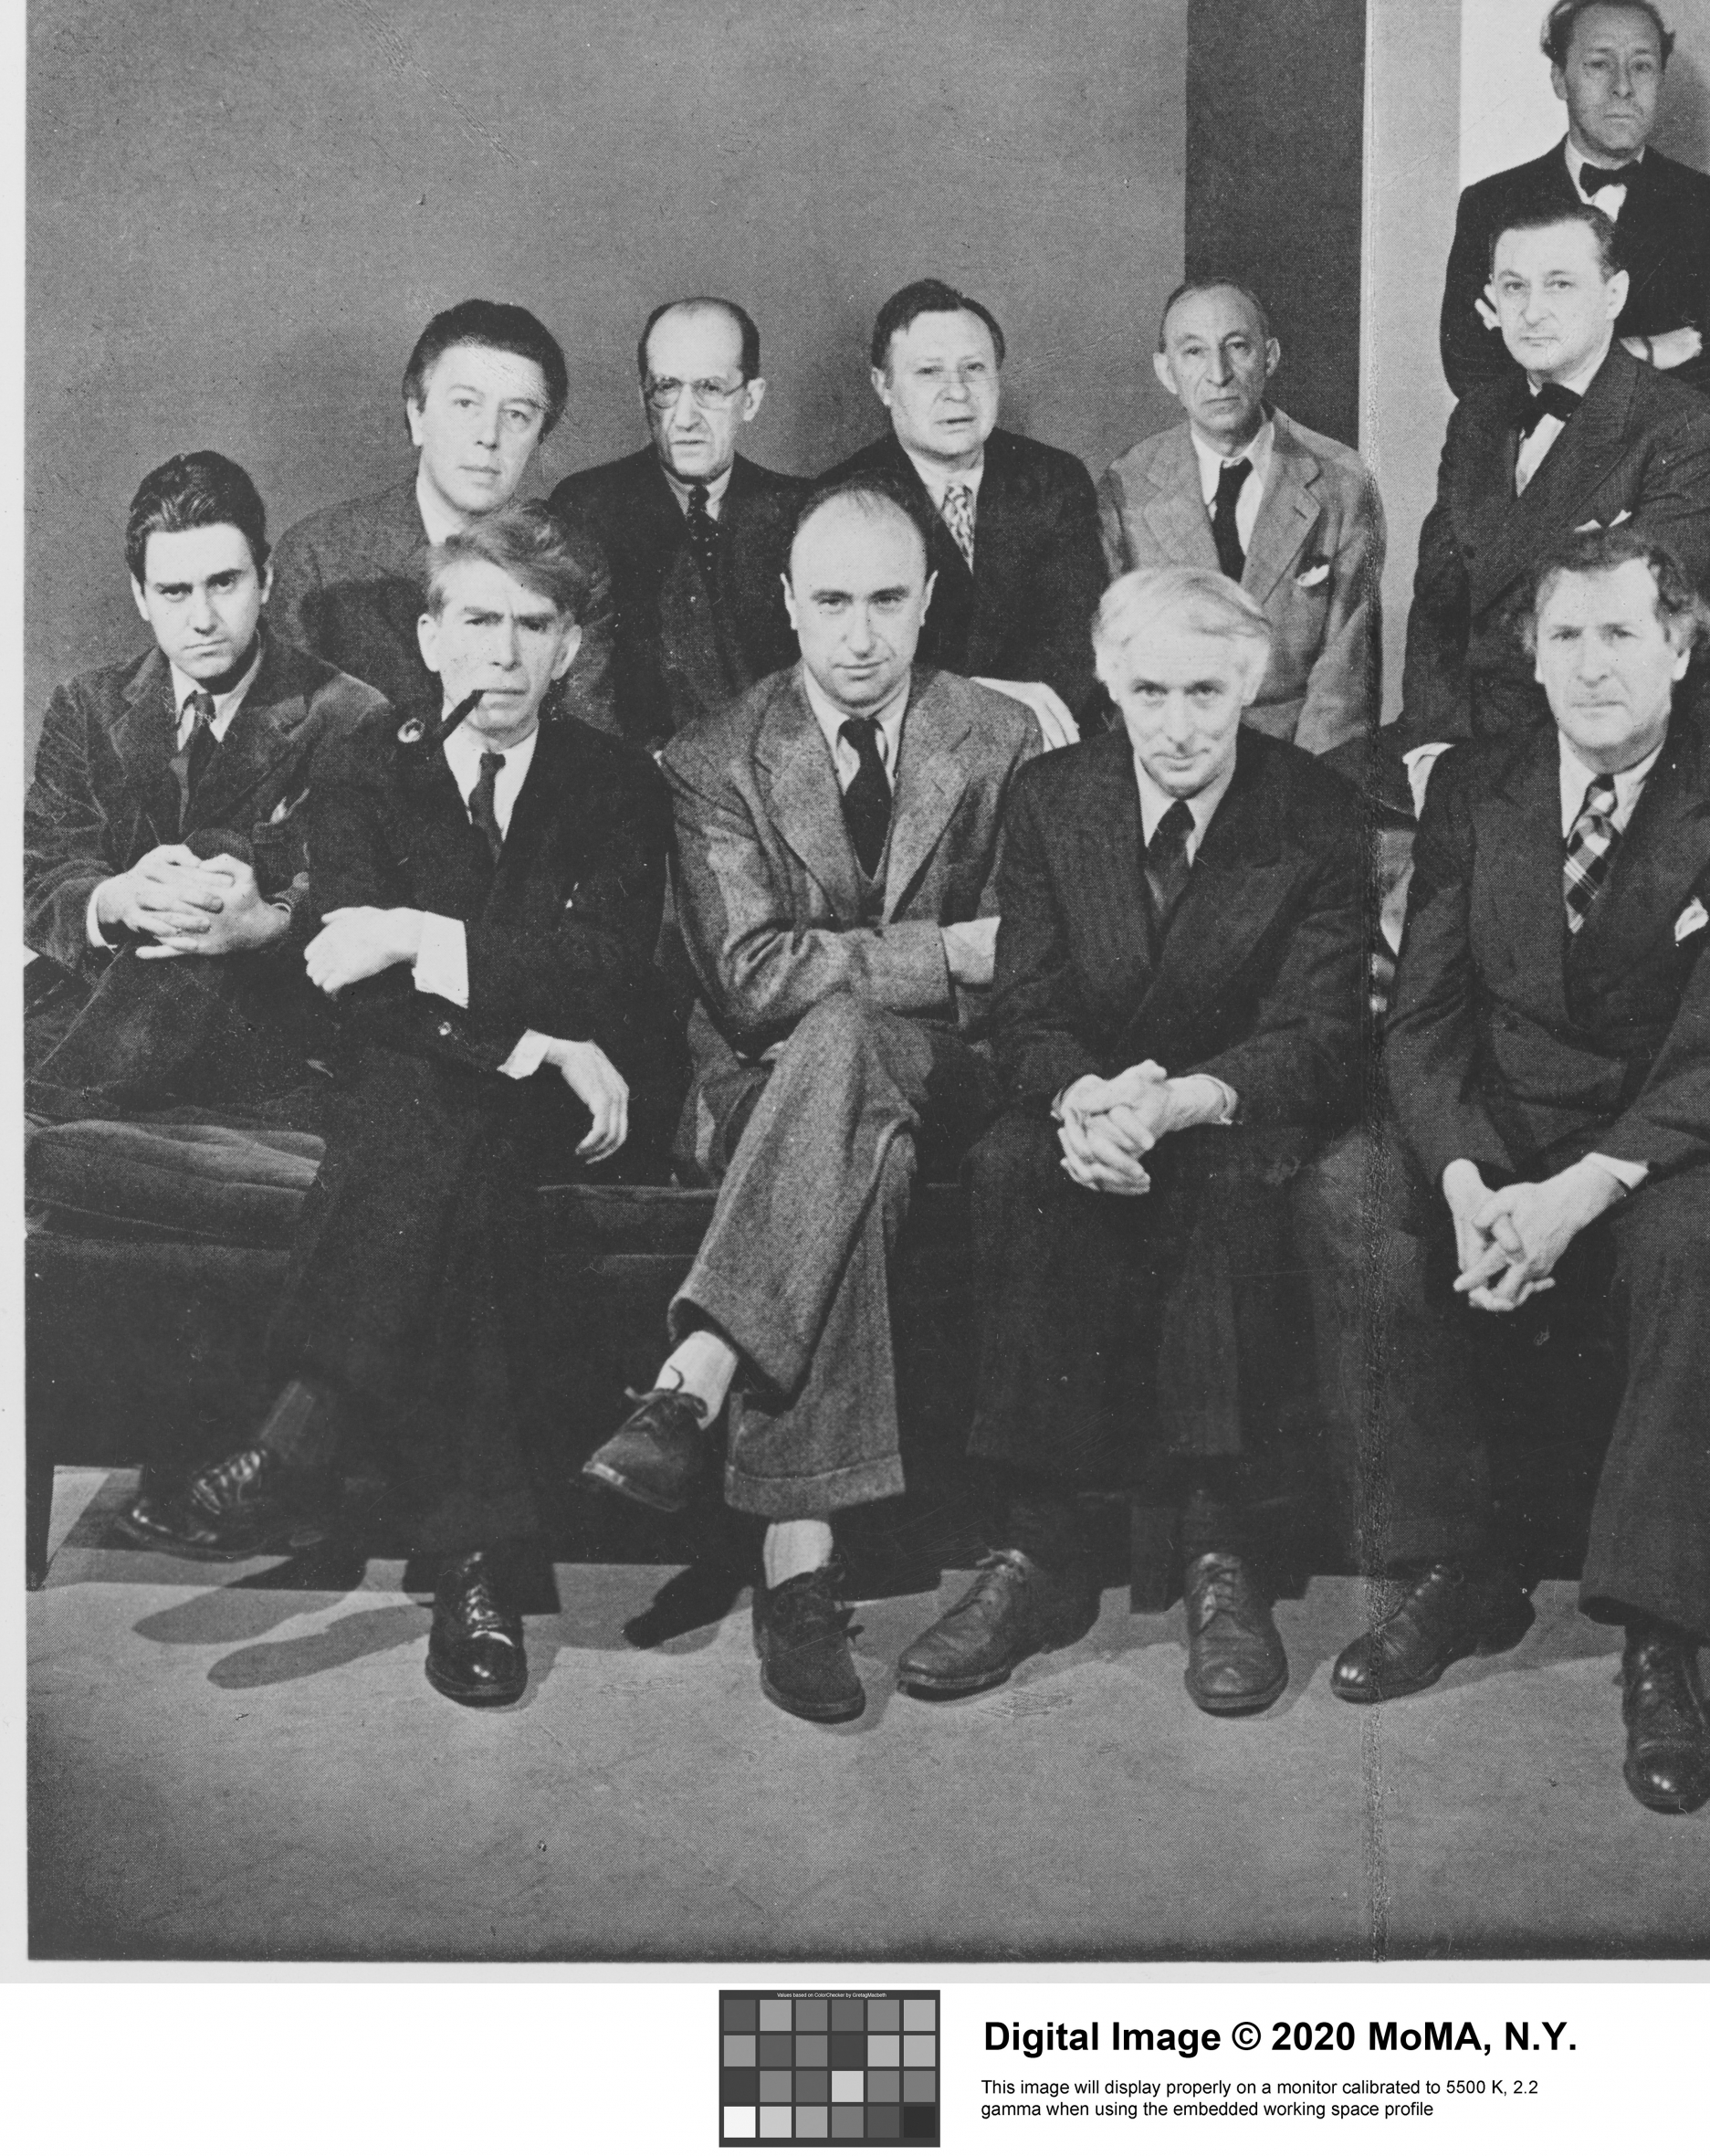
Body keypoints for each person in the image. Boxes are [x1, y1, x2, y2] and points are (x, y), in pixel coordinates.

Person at [116, 502, 677, 1713]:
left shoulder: (616, 782)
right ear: (430, 637)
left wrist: (422, 936)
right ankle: (478, 1565)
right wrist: (531, 1037)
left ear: (570, 647)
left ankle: (304, 1428)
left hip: (558, 1104)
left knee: (432, 1112)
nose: (503, 654)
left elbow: (605, 973)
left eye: (532, 625)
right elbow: (343, 979)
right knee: (447, 1141)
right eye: (476, 621)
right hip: (470, 1079)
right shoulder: (370, 761)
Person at [1308, 527, 1710, 1814]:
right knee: (1357, 1198)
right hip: (1495, 1123)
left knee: (1691, 1246)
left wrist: (1581, 1193)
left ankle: (1658, 1637)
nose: (1592, 666)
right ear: (1530, 656)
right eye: (1566, 636)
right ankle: (1448, 1571)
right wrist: (1467, 1184)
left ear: (1679, 647)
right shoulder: (1475, 788)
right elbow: (1422, 1018)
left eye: (1621, 634)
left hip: (1653, 1139)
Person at [578, 483, 1041, 1723]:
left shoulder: (997, 735)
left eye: (887, 600)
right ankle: (799, 1568)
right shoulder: (715, 754)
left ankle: (695, 1373)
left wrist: (902, 975)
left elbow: (1028, 965)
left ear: (928, 600)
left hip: (952, 1078)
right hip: (762, 1090)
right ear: (786, 603)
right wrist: (945, 952)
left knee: (848, 1045)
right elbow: (752, 983)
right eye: (830, 602)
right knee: (857, 1140)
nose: (860, 635)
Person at [896, 566, 1367, 1717]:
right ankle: (1035, 1547)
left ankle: (1219, 1549)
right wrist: (1083, 1101)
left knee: (1231, 1181)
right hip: (1091, 1101)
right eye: (1149, 692)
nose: (1177, 724)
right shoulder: (1053, 797)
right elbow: (1024, 1007)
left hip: (1232, 1110)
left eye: (1205, 691)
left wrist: (1185, 1100)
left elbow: (1318, 1034)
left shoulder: (1313, 809)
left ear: (1250, 686)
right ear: (1108, 686)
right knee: (1014, 1165)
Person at [1438, 0, 1710, 679]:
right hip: (1517, 493)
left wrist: (1562, 362)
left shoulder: (1709, 210)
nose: (1624, 87)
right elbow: (1471, 366)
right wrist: (1647, 349)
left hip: (1654, 505)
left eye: (1643, 66)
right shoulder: (1492, 204)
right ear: (1559, 78)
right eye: (1600, 64)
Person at [26, 450, 389, 1115]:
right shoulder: (85, 705)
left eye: (224, 583)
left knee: (218, 854)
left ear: (266, 581)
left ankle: (57, 1111)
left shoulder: (350, 714)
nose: (202, 619)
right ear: (140, 596)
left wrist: (268, 925)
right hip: (91, 1014)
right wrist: (117, 898)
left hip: (264, 1028)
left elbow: (366, 893)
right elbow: (40, 875)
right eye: (174, 592)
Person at [1400, 203, 1710, 787]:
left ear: (1614, 295)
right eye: (1514, 287)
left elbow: (1629, 640)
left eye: (1559, 284)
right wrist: (1434, 747)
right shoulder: (1478, 417)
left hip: (1592, 751)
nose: (1532, 312)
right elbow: (1436, 606)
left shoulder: (1684, 429)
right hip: (1459, 736)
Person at [271, 299, 613, 731]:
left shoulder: (576, 564)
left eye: (517, 415)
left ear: (539, 437)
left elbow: (591, 745)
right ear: (417, 415)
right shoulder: (318, 557)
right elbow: (287, 744)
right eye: (465, 405)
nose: (488, 436)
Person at [818, 279, 1108, 752]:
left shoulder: (1054, 477)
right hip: (912, 751)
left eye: (974, 368)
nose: (957, 392)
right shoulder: (843, 500)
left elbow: (1075, 640)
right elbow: (854, 662)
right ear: (883, 386)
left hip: (1047, 742)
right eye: (929, 372)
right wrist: (975, 707)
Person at [1097, 278, 1385, 752]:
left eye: (1237, 346)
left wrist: (1303, 783)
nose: (1219, 374)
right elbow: (1120, 666)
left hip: (1297, 758)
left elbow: (1344, 680)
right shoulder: (1126, 485)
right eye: (1194, 352)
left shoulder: (1343, 481)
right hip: (1168, 751)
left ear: (1269, 357)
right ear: (1166, 372)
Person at [552, 296, 812, 751]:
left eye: (710, 388)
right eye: (667, 388)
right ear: (643, 395)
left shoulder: (803, 512)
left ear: (751, 399)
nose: (686, 418)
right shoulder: (587, 506)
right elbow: (582, 699)